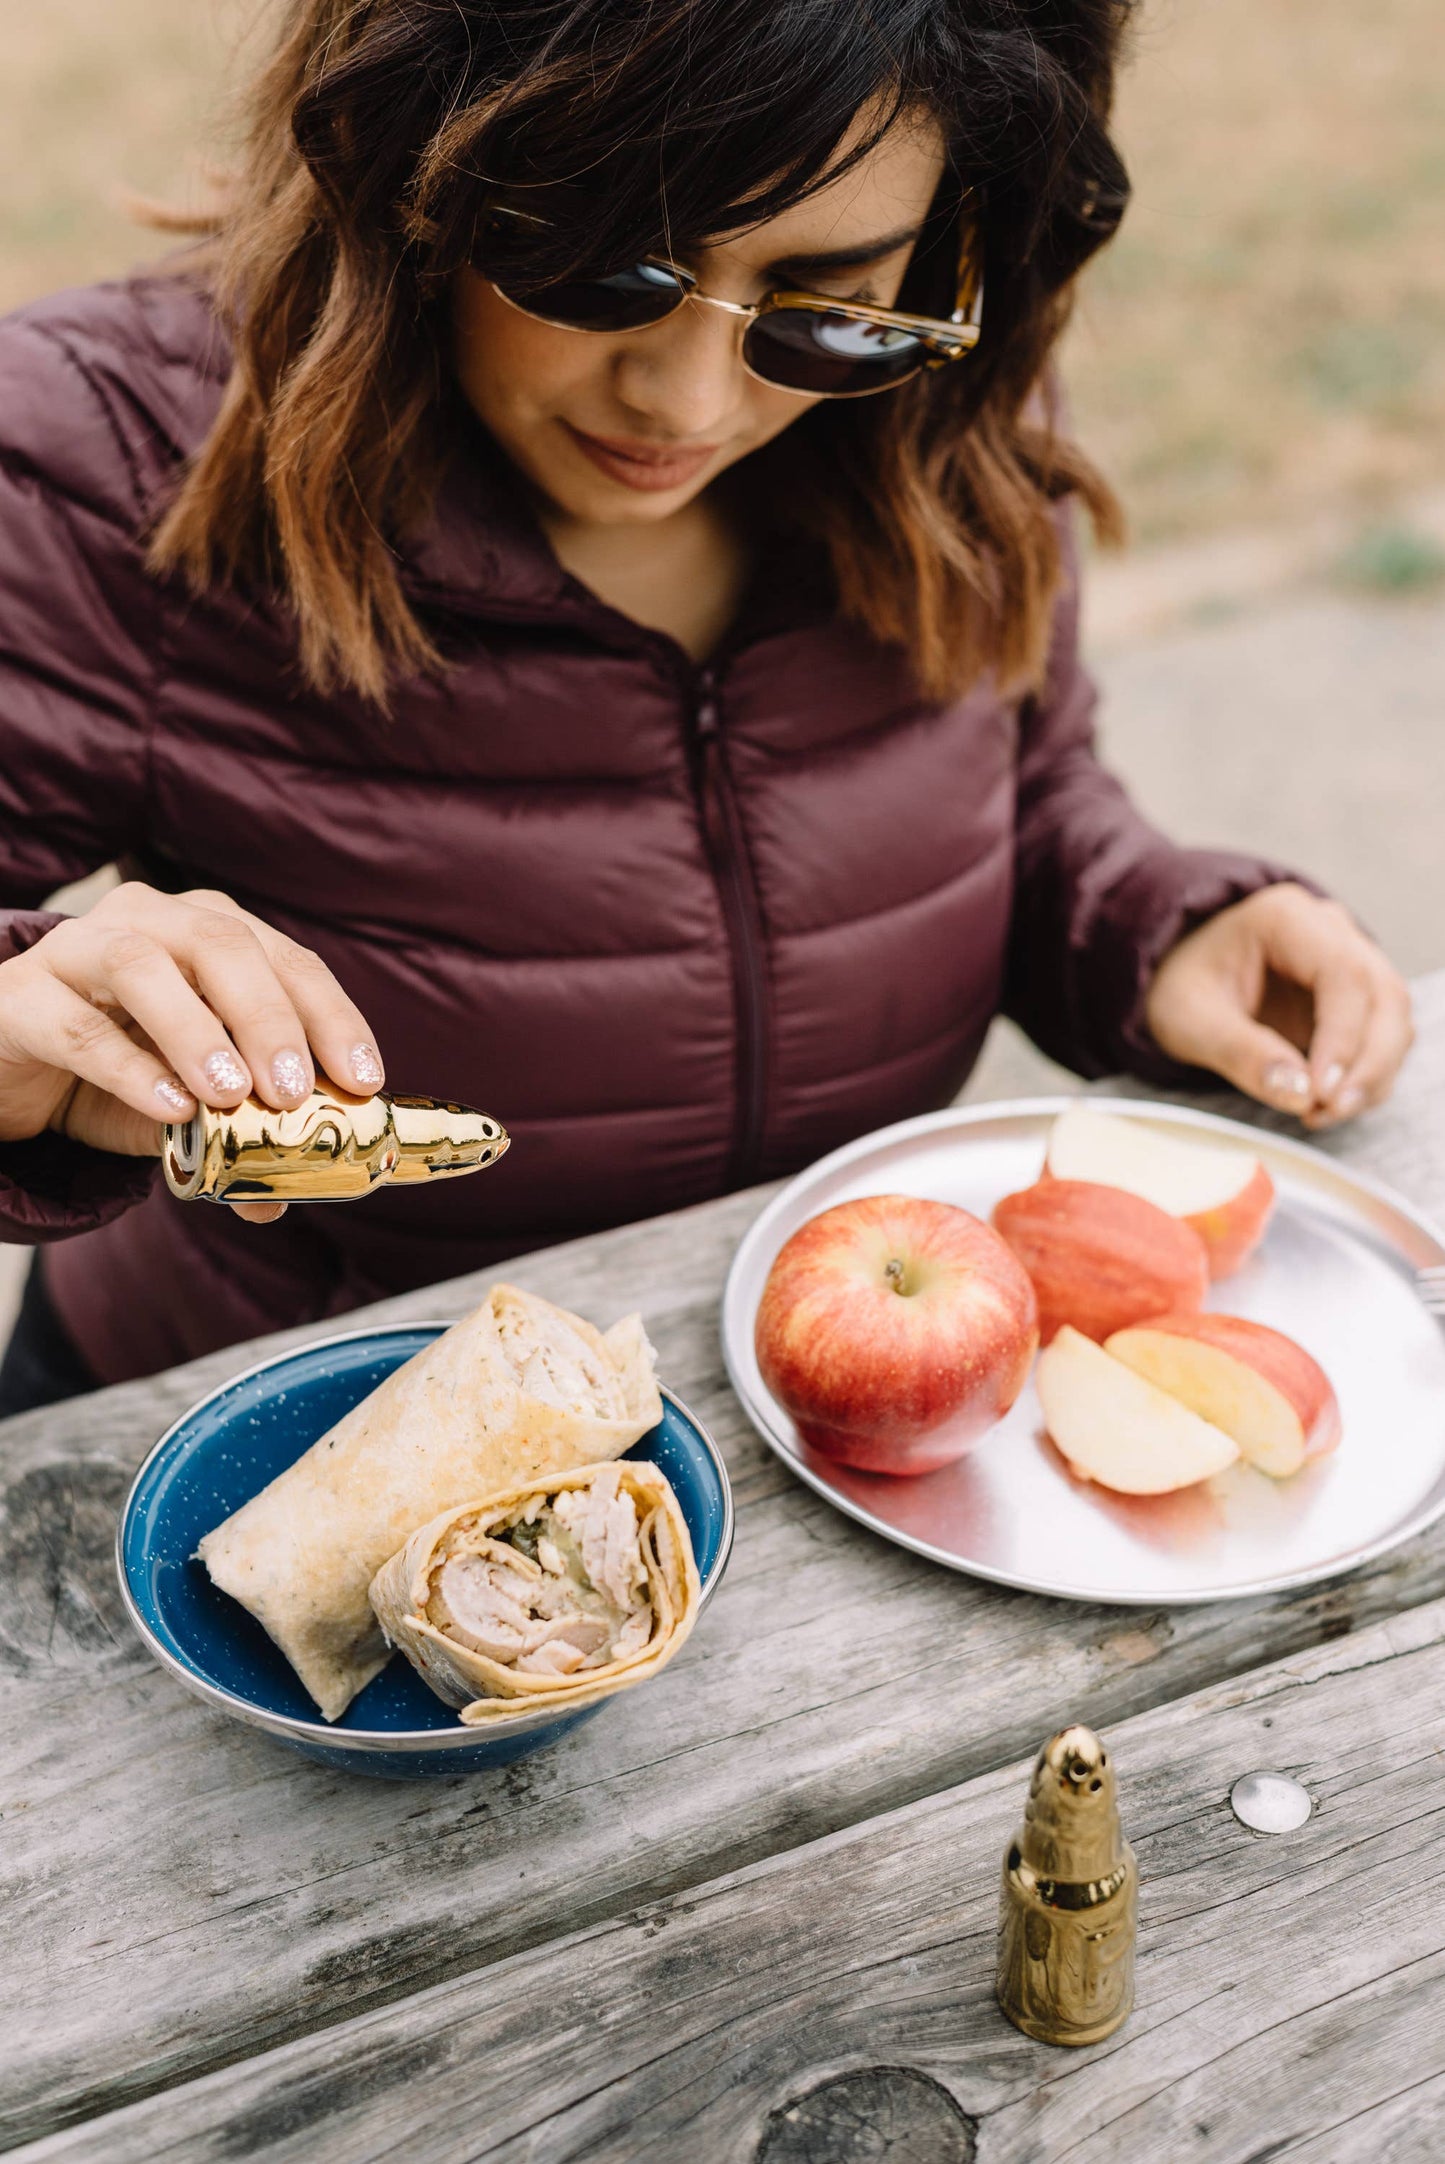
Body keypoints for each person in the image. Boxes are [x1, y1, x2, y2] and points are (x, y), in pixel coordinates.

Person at [0, 0, 1412, 1416]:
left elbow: (1019, 786)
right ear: (408, 162)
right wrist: (24, 1034)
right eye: (611, 268)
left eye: (820, 303)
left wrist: (1147, 920)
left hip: (792, 1419)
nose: (686, 400)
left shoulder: (926, 391)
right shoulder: (97, 461)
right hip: (253, 1429)